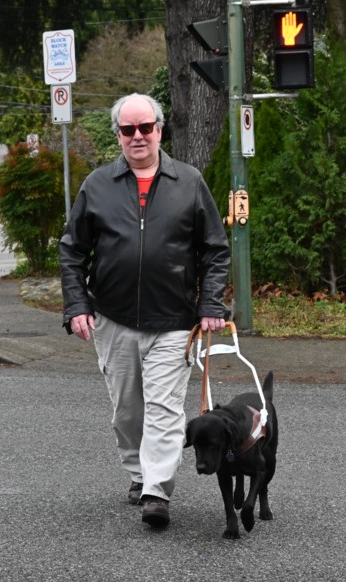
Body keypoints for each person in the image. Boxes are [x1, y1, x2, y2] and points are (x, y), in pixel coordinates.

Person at [59, 93, 231, 528]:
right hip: (113, 319)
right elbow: (72, 252)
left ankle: (157, 491)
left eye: (146, 128)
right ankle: (138, 475)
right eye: (128, 130)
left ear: (159, 130)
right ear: (118, 134)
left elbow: (214, 250)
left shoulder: (189, 182)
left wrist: (210, 303)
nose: (138, 137)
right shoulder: (97, 186)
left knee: (164, 408)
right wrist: (77, 304)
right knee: (128, 411)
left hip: (174, 320)